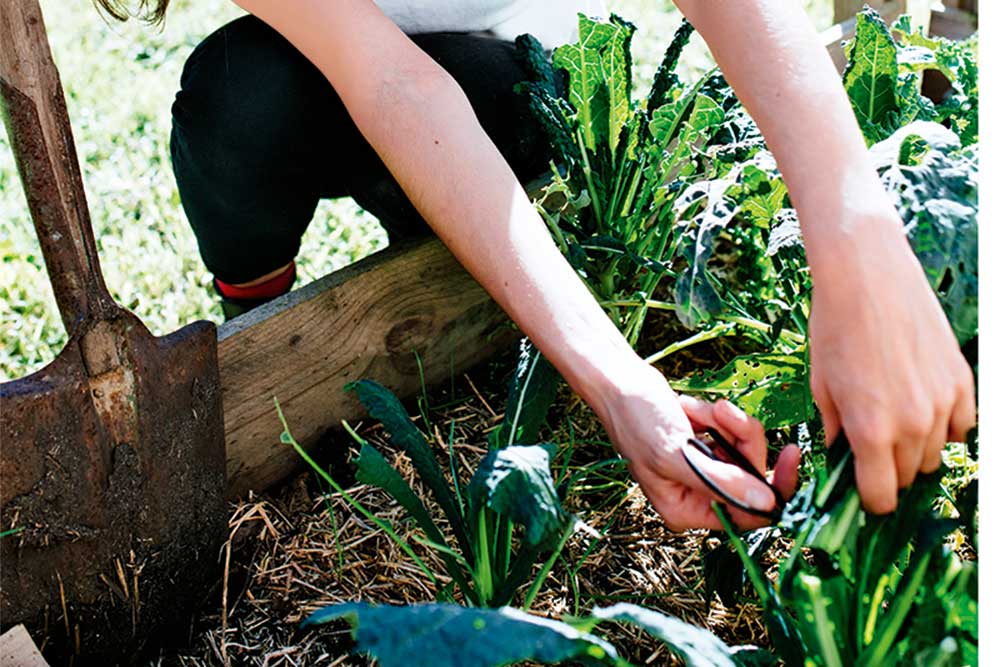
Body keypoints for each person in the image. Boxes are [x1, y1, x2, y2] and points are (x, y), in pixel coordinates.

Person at [105, 0, 976, 529]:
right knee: (234, 98)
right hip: (372, 89)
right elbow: (391, 83)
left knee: (495, 94)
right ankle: (260, 314)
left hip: (513, 89)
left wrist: (859, 244)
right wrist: (621, 388)